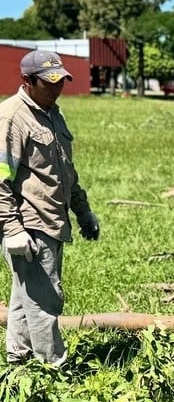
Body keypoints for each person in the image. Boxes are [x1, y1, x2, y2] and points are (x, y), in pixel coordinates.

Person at [0, 50, 100, 366]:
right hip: (29, 224)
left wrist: (83, 212)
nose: (57, 88)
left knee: (24, 298)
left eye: (60, 80)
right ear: (27, 81)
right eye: (49, 82)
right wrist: (12, 229)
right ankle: (53, 367)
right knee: (45, 302)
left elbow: (66, 172)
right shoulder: (12, 117)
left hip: (54, 220)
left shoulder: (54, 114)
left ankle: (18, 361)